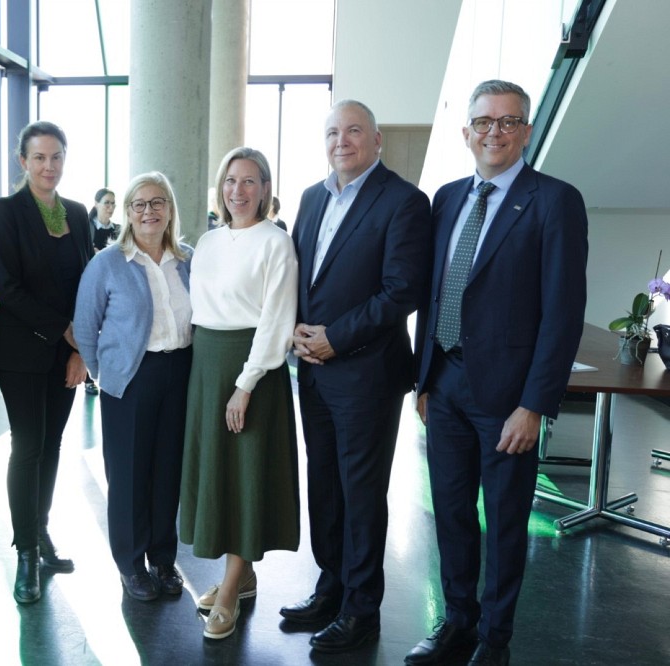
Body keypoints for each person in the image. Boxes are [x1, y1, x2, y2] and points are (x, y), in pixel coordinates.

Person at [407, 80, 587, 666]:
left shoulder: (554, 201)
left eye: (509, 122)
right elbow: (435, 295)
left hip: (509, 398)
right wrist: (424, 380)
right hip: (445, 383)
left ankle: (494, 638)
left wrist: (534, 405)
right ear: (467, 132)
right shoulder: (446, 198)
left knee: (506, 521)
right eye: (484, 121)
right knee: (451, 512)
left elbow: (562, 314)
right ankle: (457, 622)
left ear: (526, 132)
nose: (495, 132)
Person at [282, 100, 432, 654]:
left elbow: (401, 291)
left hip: (366, 373)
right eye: (332, 132)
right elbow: (299, 275)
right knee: (324, 485)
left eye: (353, 131)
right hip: (312, 371)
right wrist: (295, 328)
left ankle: (362, 609)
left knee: (361, 494)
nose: (341, 141)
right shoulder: (311, 197)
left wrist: (335, 338)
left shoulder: (404, 201)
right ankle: (331, 589)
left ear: (376, 139)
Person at [179, 147, 299, 640]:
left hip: (251, 369)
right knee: (218, 472)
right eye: (231, 180)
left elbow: (276, 319)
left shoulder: (276, 242)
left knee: (245, 473)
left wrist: (245, 384)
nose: (238, 191)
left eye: (250, 181)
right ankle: (240, 575)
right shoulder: (207, 242)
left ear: (265, 188)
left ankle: (231, 585)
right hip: (207, 364)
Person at [0, 121, 93, 605]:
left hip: (66, 352)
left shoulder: (78, 213)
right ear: (22, 161)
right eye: (39, 157)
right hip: (21, 350)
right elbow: (6, 287)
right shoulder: (5, 211)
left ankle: (41, 530)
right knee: (28, 445)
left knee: (52, 446)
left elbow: (87, 284)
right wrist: (63, 330)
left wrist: (79, 348)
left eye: (56, 157)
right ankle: (25, 549)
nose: (49, 166)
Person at [73, 172, 193, 602]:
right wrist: (104, 373)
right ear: (127, 212)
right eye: (138, 204)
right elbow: (85, 326)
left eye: (157, 202)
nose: (148, 211)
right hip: (130, 379)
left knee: (167, 472)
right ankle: (130, 563)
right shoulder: (107, 263)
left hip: (180, 372)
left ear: (170, 209)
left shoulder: (187, 259)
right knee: (128, 476)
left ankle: (162, 558)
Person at [83, 188, 120, 396]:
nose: (110, 207)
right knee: (90, 330)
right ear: (96, 204)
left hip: (112, 287)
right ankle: (89, 377)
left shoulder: (119, 230)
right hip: (91, 286)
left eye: (113, 203)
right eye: (107, 202)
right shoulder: (86, 228)